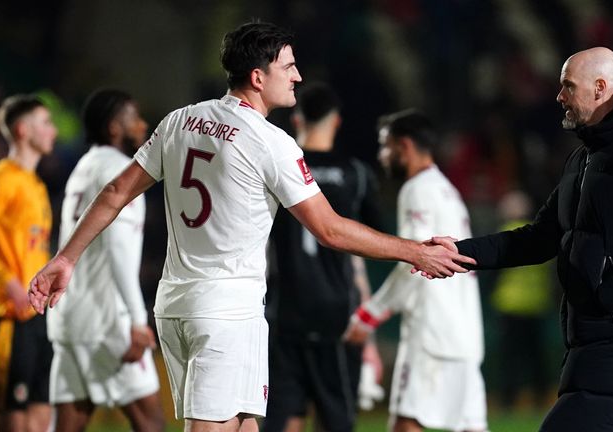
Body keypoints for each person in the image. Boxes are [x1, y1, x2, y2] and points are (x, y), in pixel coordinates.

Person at [27, 20, 474, 432]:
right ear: (258, 78)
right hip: (226, 313)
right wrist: (416, 251)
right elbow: (330, 230)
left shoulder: (179, 121)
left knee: (244, 425)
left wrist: (66, 258)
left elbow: (114, 193)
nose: (297, 76)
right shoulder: (270, 142)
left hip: (181, 305)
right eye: (289, 67)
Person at [427, 47, 613, 431]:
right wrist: (460, 253)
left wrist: (603, 300)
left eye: (568, 86)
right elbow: (539, 237)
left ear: (599, 89)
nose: (559, 96)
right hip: (594, 351)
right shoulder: (583, 159)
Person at [344, 110, 487, 432]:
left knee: (407, 423)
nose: (382, 155)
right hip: (464, 331)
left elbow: (413, 261)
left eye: (385, 146)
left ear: (404, 146)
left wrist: (369, 316)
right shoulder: (447, 190)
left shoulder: (418, 189)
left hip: (432, 329)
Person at [263, 82, 384, 432]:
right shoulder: (356, 175)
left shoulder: (277, 170)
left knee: (284, 417)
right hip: (338, 316)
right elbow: (367, 242)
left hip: (285, 312)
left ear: (297, 119)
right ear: (337, 121)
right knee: (336, 421)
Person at [47, 89, 164, 432]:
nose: (143, 125)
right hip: (106, 323)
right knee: (152, 423)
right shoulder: (121, 173)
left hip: (69, 317)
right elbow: (118, 249)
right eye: (135, 117)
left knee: (68, 423)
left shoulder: (84, 166)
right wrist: (137, 320)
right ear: (115, 128)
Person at [0, 95, 56, 432]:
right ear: (22, 130)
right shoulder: (3, 178)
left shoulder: (36, 185)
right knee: (13, 418)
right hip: (10, 314)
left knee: (41, 413)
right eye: (45, 122)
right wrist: (8, 282)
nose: (53, 131)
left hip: (38, 315)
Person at [491, 190, 555, 410]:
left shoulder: (506, 232)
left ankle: (508, 402)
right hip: (536, 304)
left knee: (510, 359)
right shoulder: (539, 233)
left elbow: (493, 269)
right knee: (537, 358)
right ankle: (541, 400)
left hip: (510, 305)